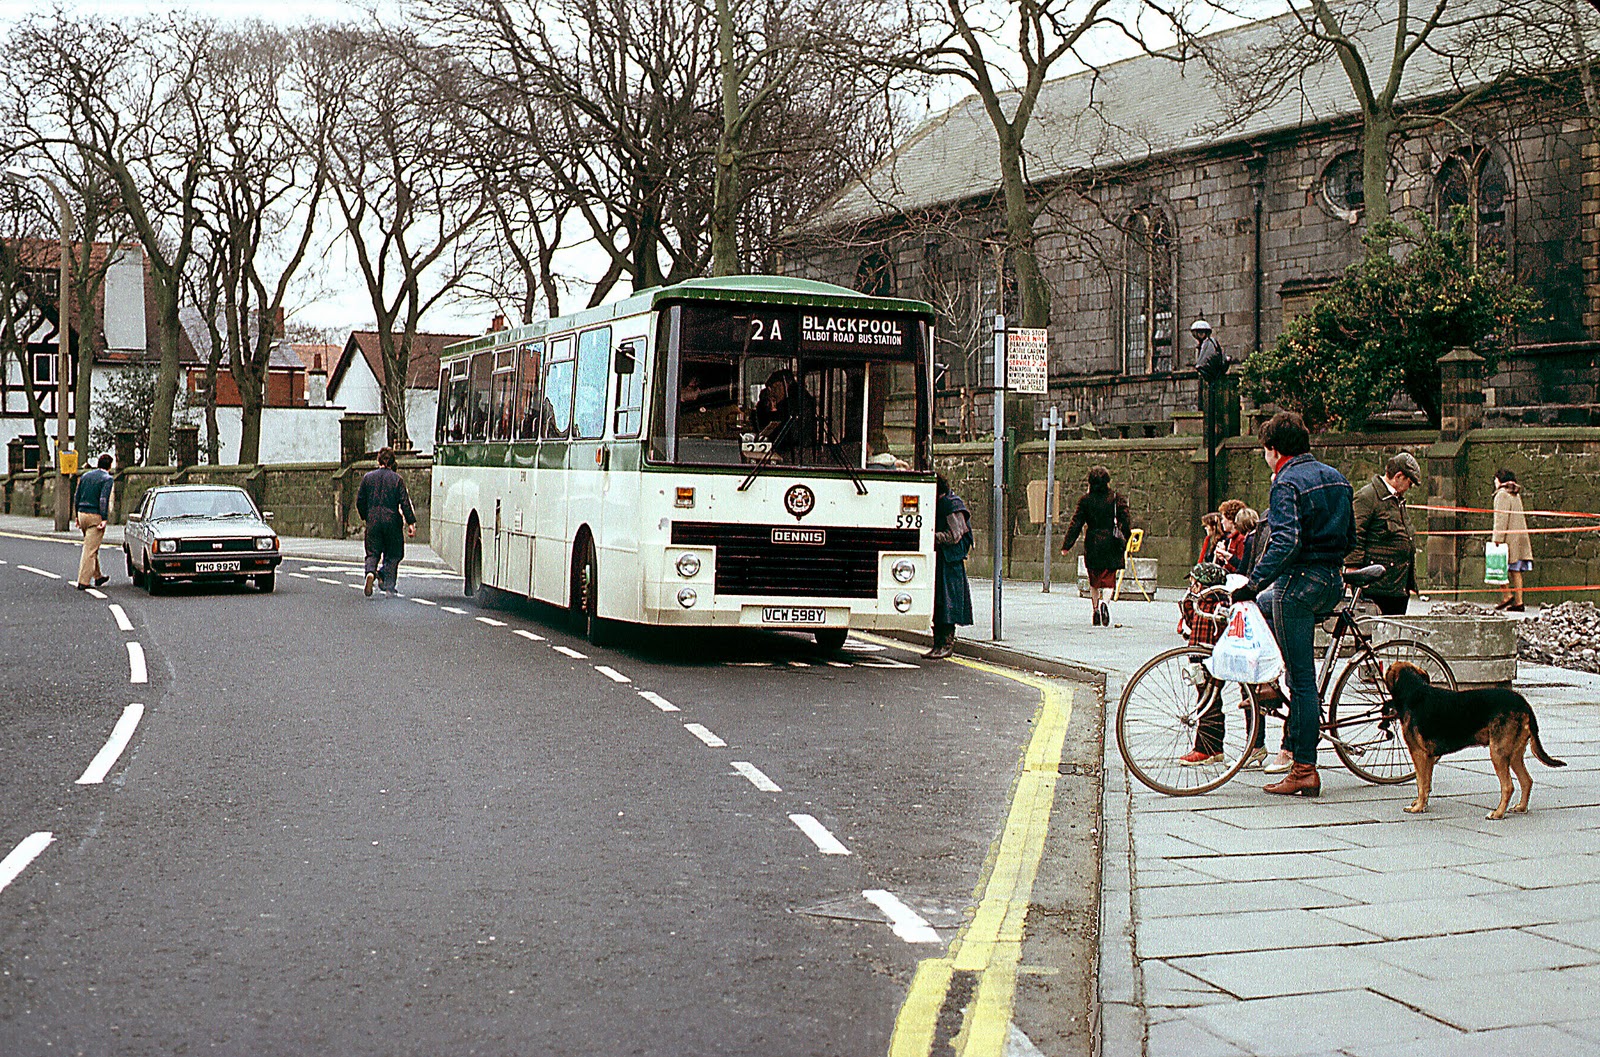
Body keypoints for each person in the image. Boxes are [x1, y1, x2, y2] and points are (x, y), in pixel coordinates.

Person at [1230, 411, 1355, 798]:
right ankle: (1268, 683)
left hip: (1298, 584)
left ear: (1274, 450)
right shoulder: (1337, 477)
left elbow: (1286, 542)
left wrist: (1253, 582)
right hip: (1330, 580)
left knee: (1303, 680)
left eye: (1264, 450)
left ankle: (1303, 767)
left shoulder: (1285, 482)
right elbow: (1350, 538)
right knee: (1263, 610)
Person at [1348, 452, 1422, 615]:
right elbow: (1355, 534)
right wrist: (1354, 572)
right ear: (1399, 476)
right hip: (1376, 587)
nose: (1409, 488)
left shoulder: (1396, 499)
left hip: (1396, 586)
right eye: (1409, 483)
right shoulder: (1368, 496)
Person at [1176, 561, 1232, 765]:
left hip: (1210, 656)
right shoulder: (1199, 603)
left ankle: (1207, 748)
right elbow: (1190, 622)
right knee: (1206, 700)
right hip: (1198, 655)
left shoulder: (1217, 604)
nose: (1191, 588)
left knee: (1210, 702)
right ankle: (1212, 748)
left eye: (1194, 583)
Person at [1062, 466, 1132, 627]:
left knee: (1094, 580)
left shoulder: (1085, 501)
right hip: (1111, 542)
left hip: (1093, 541)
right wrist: (1126, 538)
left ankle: (1095, 610)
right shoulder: (1116, 498)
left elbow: (1076, 523)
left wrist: (1067, 545)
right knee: (1109, 579)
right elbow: (1126, 519)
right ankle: (1105, 603)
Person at [357, 448, 418, 596]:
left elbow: (360, 501)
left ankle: (370, 573)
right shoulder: (397, 479)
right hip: (392, 522)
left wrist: (366, 516)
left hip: (373, 521)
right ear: (392, 462)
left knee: (372, 553)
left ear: (378, 461)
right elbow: (404, 503)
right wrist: (411, 523)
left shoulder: (367, 478)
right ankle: (389, 587)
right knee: (393, 554)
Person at [926, 476, 974, 660]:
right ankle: (937, 644)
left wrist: (932, 537)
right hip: (942, 559)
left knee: (947, 602)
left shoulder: (951, 505)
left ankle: (946, 643)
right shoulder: (942, 503)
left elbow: (955, 535)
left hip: (950, 561)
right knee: (938, 602)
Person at [73, 453, 115, 590]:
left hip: (82, 514)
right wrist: (104, 518)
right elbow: (103, 499)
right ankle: (83, 581)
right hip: (94, 516)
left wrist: (76, 516)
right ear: (110, 466)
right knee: (90, 550)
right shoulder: (107, 479)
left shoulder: (85, 476)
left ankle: (98, 576)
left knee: (92, 545)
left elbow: (77, 495)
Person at [1493, 469, 1533, 612]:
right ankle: (1519, 602)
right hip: (1519, 537)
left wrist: (1497, 539)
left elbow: (1501, 519)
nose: (1494, 482)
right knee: (1516, 571)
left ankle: (1507, 596)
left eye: (1496, 479)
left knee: (1498, 567)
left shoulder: (1502, 495)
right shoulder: (1515, 494)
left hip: (1508, 538)